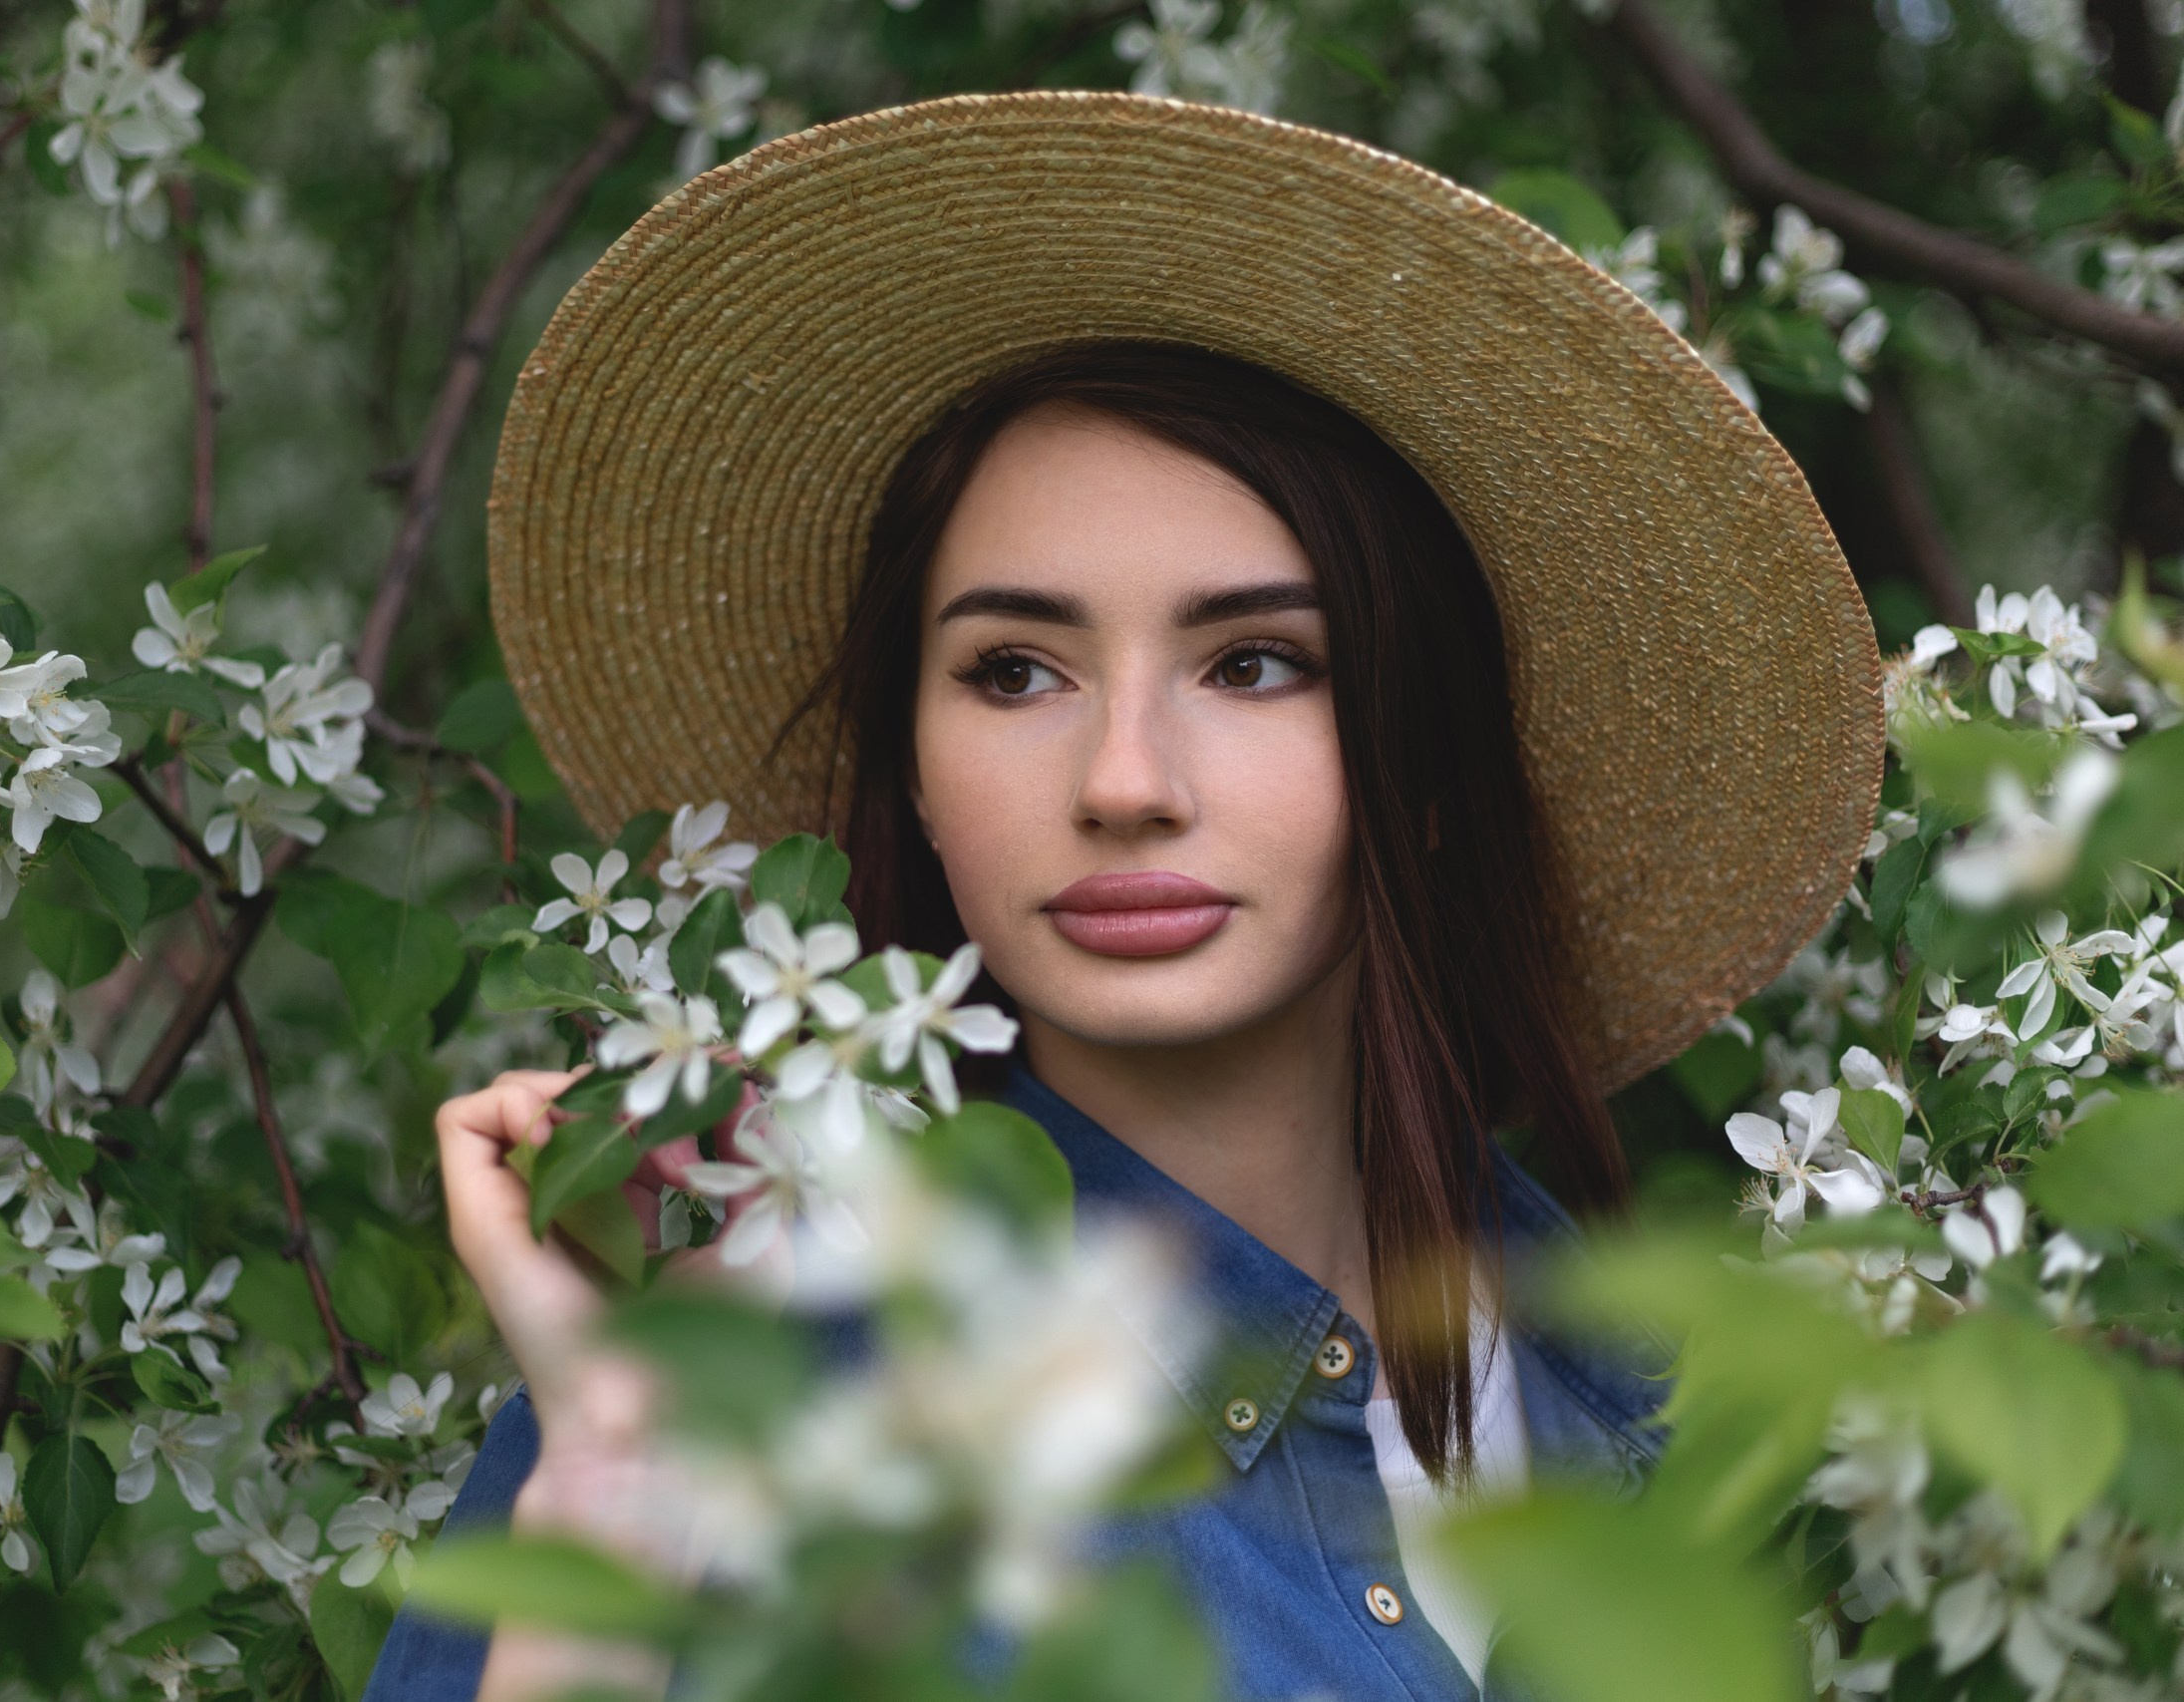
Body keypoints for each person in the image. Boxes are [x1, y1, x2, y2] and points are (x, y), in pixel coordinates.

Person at [371, 93, 1882, 1702]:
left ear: (1427, 775)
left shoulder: (1670, 1402)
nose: (1123, 779)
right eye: (1014, 671)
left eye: (1253, 663)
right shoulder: (743, 1397)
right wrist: (617, 1471)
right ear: (920, 782)